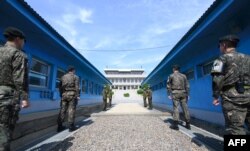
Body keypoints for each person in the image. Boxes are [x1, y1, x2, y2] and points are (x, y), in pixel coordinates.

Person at [211, 34, 250, 135]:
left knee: (234, 128)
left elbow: (217, 80)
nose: (219, 48)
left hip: (232, 98)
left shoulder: (221, 59)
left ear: (223, 45)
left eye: (219, 46)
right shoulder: (248, 58)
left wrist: (215, 96)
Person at [0, 27, 29, 151]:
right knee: (4, 130)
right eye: (23, 41)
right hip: (7, 96)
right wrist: (25, 98)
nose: (23, 44)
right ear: (18, 39)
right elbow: (19, 79)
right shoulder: (18, 54)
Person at [167, 65, 190, 130]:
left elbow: (168, 85)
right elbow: (187, 85)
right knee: (185, 107)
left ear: (174, 69)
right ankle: (188, 124)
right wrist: (188, 94)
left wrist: (168, 94)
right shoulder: (184, 76)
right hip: (183, 93)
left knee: (176, 108)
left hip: (175, 93)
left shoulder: (171, 76)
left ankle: (175, 124)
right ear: (179, 69)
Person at [57, 66, 80, 132]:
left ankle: (59, 126)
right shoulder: (75, 77)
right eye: (74, 70)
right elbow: (77, 87)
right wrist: (78, 95)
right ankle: (71, 126)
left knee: (62, 110)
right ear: (73, 70)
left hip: (64, 95)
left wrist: (61, 94)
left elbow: (60, 87)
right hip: (72, 95)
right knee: (71, 110)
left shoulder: (63, 77)